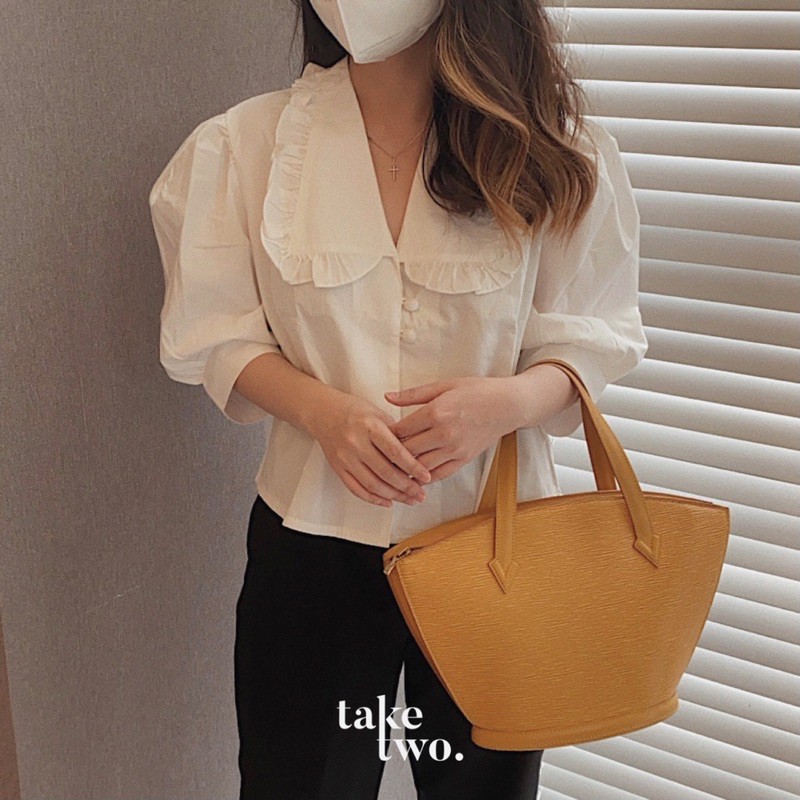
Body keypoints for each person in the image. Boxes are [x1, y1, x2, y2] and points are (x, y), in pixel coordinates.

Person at [147, 1, 648, 798]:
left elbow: (593, 339)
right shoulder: (245, 146)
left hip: (494, 547)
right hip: (313, 549)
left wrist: (504, 404)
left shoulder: (550, 150)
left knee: (483, 790)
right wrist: (322, 413)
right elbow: (215, 337)